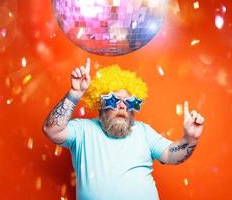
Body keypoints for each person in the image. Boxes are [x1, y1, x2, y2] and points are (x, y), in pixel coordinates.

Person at [42, 58, 205, 200]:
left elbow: (171, 155)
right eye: (114, 100)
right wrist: (75, 93)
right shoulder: (83, 130)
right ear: (101, 104)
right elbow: (51, 130)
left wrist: (190, 138)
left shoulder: (143, 132)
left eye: (128, 102)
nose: (122, 106)